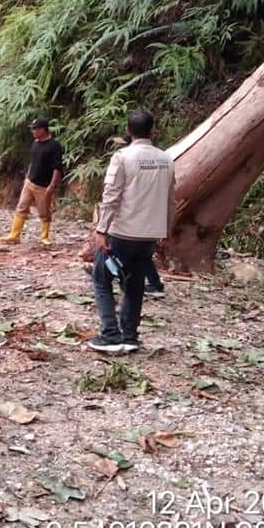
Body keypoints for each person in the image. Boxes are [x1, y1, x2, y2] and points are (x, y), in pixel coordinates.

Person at [89, 110, 175, 353]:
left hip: (123, 231)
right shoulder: (166, 159)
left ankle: (110, 335)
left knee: (101, 279)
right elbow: (171, 199)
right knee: (135, 284)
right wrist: (166, 229)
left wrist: (102, 229)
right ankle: (130, 335)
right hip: (149, 235)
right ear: (152, 130)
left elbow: (112, 195)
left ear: (128, 130)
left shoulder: (122, 157)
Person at [83, 133, 166, 299]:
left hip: (130, 222)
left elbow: (113, 197)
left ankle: (116, 277)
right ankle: (151, 284)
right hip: (150, 224)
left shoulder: (126, 160)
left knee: (119, 255)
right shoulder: (160, 160)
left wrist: (102, 229)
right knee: (143, 257)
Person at [2, 118, 64, 246]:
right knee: (21, 207)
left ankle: (44, 237)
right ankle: (14, 235)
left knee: (44, 212)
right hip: (30, 182)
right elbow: (32, 161)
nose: (33, 131)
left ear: (43, 129)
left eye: (35, 129)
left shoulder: (54, 146)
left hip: (43, 185)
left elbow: (57, 167)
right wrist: (27, 176)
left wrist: (52, 185)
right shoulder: (35, 143)